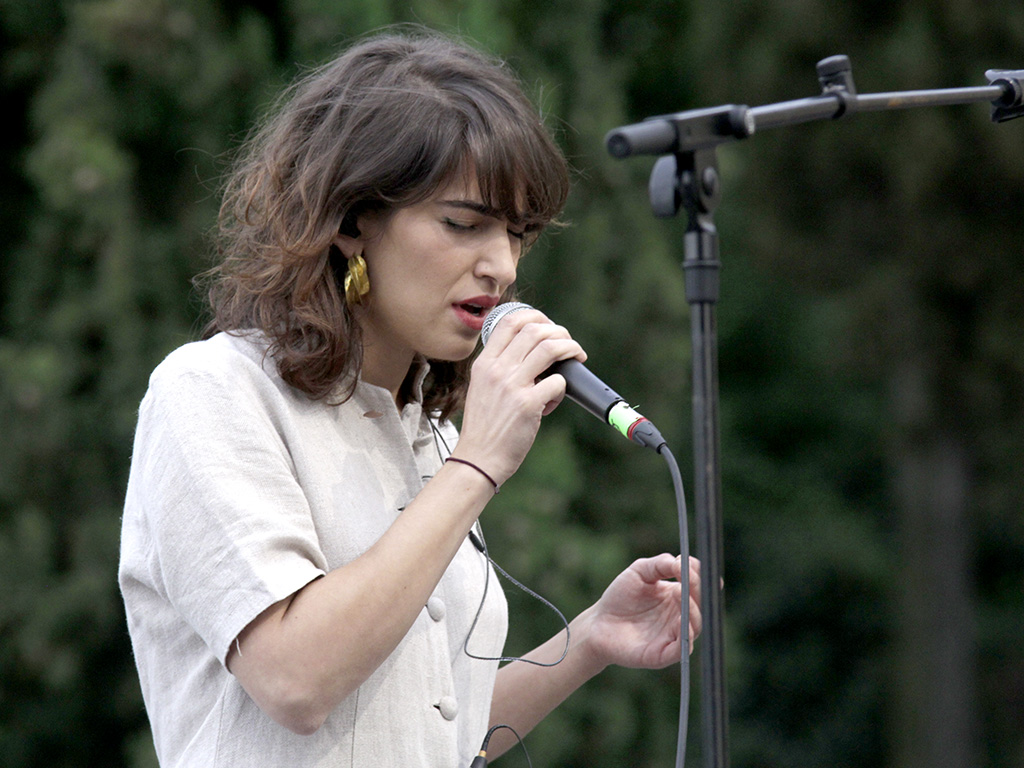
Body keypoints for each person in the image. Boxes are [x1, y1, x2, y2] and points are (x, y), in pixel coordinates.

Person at [118, 25, 702, 768]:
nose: (501, 265)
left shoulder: (431, 434)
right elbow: (298, 681)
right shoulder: (212, 394)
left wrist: (586, 642)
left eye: (519, 234)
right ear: (354, 222)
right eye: (464, 223)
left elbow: (433, 735)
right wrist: (480, 465)